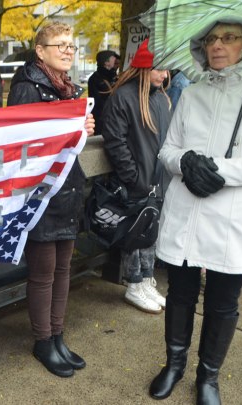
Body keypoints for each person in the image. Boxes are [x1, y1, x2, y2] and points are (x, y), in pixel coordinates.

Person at [149, 19, 242, 405]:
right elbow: (167, 150)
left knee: (223, 302)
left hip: (233, 216)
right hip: (187, 210)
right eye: (211, 38)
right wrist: (187, 161)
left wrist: (217, 170)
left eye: (229, 38)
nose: (218, 45)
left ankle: (208, 377)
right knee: (179, 293)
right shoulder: (190, 94)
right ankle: (174, 365)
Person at [7, 22, 94, 378]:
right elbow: (21, 143)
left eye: (71, 45)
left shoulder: (67, 87)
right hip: (41, 196)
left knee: (63, 270)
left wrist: (83, 130)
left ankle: (57, 335)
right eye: (59, 45)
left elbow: (69, 145)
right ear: (39, 50)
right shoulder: (27, 88)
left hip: (68, 191)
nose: (68, 50)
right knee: (43, 273)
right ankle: (43, 340)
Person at [101, 39, 171, 314]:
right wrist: (134, 177)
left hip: (157, 181)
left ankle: (146, 280)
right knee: (135, 235)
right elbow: (115, 142)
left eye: (166, 70)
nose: (164, 75)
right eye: (158, 69)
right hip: (137, 182)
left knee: (150, 233)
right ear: (144, 67)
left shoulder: (161, 98)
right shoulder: (124, 97)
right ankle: (134, 284)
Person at [87, 50, 118, 134]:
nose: (116, 60)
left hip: (114, 118)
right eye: (113, 58)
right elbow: (97, 103)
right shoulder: (95, 79)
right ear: (106, 62)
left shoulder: (113, 76)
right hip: (102, 119)